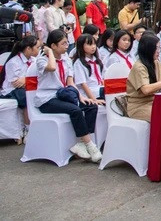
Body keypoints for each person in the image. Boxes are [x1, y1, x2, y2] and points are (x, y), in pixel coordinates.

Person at [35, 29, 101, 163]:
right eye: (63, 43)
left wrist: (81, 97)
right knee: (75, 110)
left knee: (91, 106)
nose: (67, 46)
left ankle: (82, 143)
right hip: (47, 99)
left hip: (64, 95)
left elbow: (70, 82)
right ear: (53, 46)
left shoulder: (66, 59)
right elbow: (52, 67)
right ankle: (90, 146)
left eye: (67, 42)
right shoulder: (41, 60)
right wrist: (49, 53)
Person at [126, 34, 161, 122]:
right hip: (139, 106)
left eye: (159, 48)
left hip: (154, 101)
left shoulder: (157, 63)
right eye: (156, 48)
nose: (159, 51)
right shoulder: (139, 67)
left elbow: (160, 86)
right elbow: (146, 90)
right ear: (148, 49)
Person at [0, 35, 38, 137]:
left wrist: (25, 79)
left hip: (27, 87)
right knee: (27, 97)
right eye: (37, 47)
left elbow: (38, 77)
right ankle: (28, 128)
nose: (38, 50)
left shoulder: (34, 60)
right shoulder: (13, 62)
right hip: (11, 91)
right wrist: (29, 80)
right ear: (28, 48)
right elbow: (16, 83)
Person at [71, 34, 104, 102]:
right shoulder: (78, 63)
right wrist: (94, 100)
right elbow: (83, 84)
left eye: (94, 44)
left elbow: (101, 78)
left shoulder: (96, 60)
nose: (93, 47)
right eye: (89, 44)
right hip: (89, 92)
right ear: (81, 46)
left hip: (99, 88)